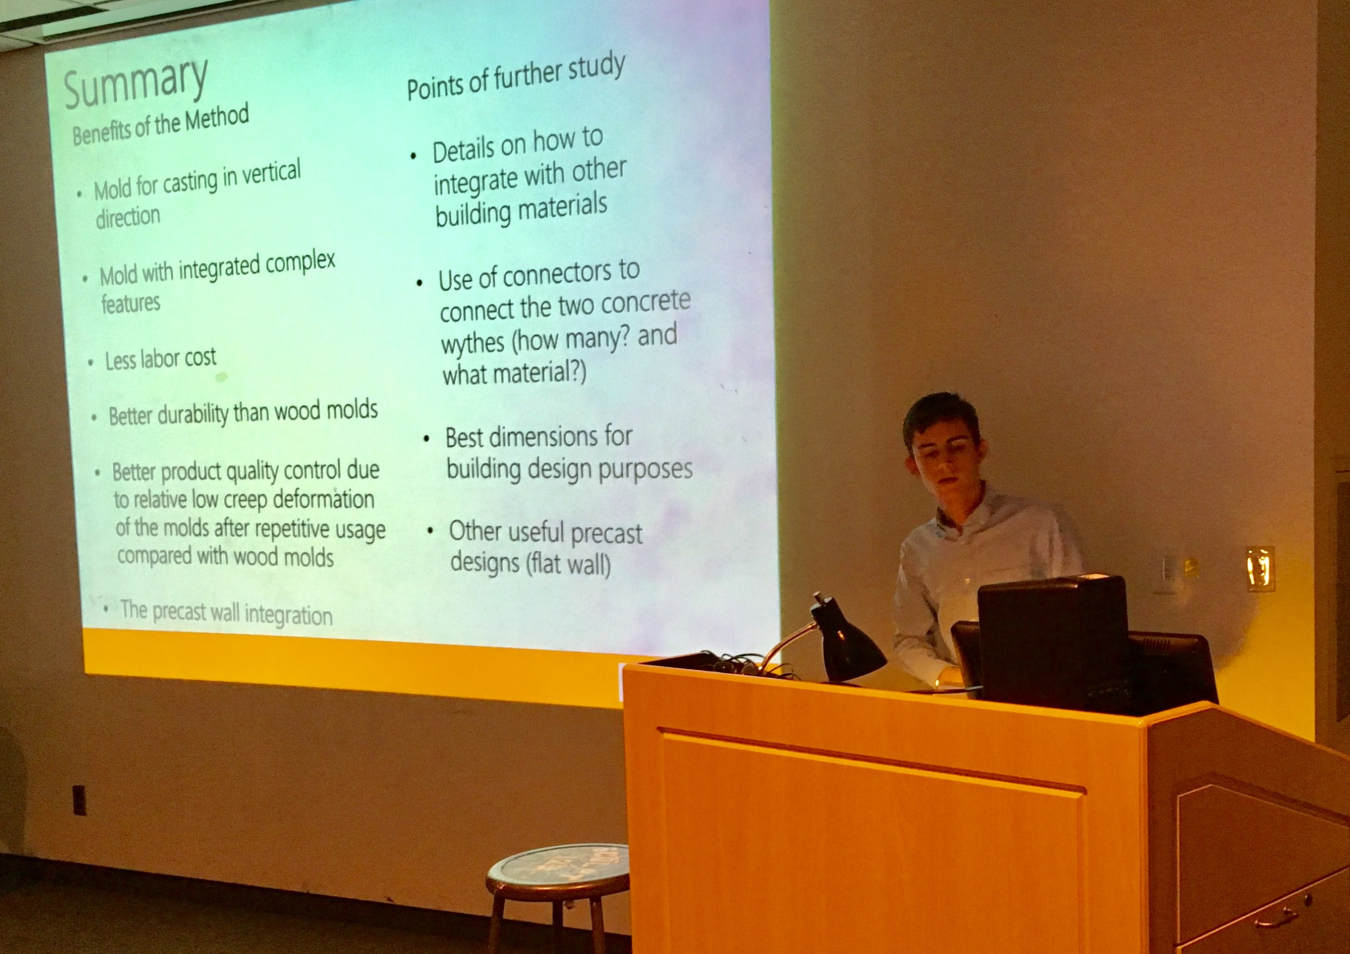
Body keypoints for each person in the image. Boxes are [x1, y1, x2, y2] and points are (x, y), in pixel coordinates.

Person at [893, 392, 1084, 688]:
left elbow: (1079, 620)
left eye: (956, 447)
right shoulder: (918, 548)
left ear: (980, 451)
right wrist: (961, 679)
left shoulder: (1041, 523)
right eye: (930, 453)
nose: (945, 463)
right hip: (960, 703)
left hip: (1037, 698)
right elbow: (909, 641)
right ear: (912, 467)